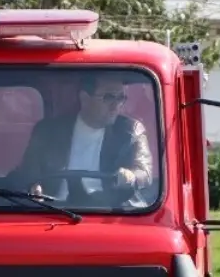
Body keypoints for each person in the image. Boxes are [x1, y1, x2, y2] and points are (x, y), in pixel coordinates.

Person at [9, 71, 155, 207]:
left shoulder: (130, 130)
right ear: (84, 98)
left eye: (121, 98)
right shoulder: (48, 131)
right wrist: (34, 187)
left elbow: (145, 172)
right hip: (56, 211)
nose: (116, 105)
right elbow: (28, 173)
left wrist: (131, 176)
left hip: (111, 211)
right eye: (108, 97)